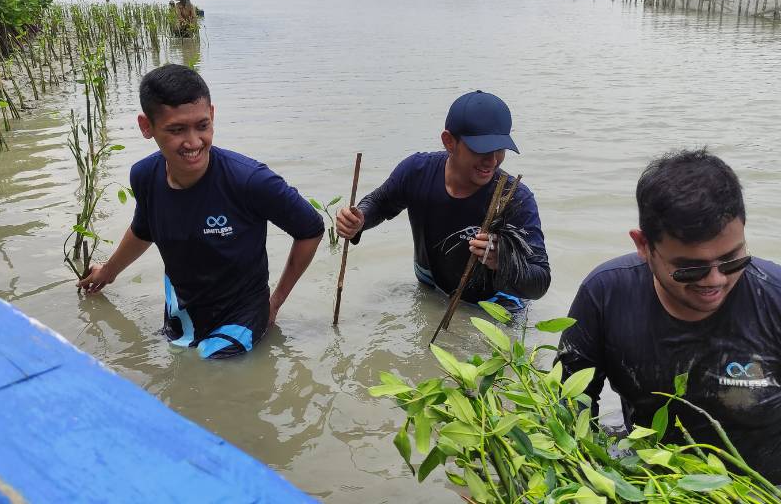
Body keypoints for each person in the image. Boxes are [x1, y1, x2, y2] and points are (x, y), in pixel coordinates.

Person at [556, 149, 781, 482]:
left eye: (732, 259)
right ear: (644, 245)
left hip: (763, 486)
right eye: (691, 268)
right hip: (656, 484)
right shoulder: (605, 295)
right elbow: (568, 411)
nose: (715, 280)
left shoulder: (774, 298)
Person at [78, 64, 324, 359]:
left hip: (240, 316)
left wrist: (275, 302)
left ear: (213, 116)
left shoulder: (249, 180)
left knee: (211, 385)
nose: (193, 142)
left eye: (202, 126)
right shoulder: (144, 175)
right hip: (182, 309)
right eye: (176, 130)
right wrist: (108, 272)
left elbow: (311, 228)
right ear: (146, 127)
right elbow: (144, 230)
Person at [336, 90, 550, 307]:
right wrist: (359, 219)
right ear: (449, 141)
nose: (492, 161)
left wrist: (502, 262)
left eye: (500, 150)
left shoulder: (515, 198)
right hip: (431, 287)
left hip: (496, 303)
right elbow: (381, 202)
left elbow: (540, 281)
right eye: (481, 150)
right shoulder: (417, 171)